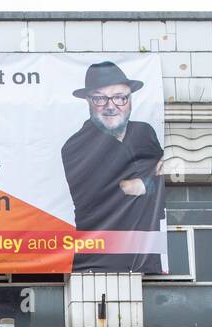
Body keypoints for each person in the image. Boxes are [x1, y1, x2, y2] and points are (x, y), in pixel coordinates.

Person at [61, 61, 165, 272]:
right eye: (100, 98)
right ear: (89, 101)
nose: (111, 106)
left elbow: (152, 182)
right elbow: (128, 188)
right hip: (101, 256)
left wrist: (147, 183)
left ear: (130, 100)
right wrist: (152, 178)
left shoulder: (145, 133)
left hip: (147, 250)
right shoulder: (77, 146)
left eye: (119, 97)